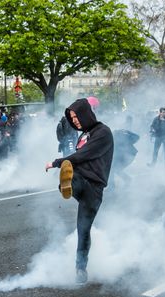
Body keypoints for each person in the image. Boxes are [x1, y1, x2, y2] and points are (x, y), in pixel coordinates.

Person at [45, 98, 114, 284]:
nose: (74, 120)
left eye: (76, 116)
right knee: (72, 177)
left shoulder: (103, 132)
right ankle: (68, 185)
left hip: (94, 187)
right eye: (72, 117)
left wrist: (57, 163)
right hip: (81, 180)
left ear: (85, 113)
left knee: (83, 230)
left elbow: (85, 154)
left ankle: (80, 269)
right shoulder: (83, 135)